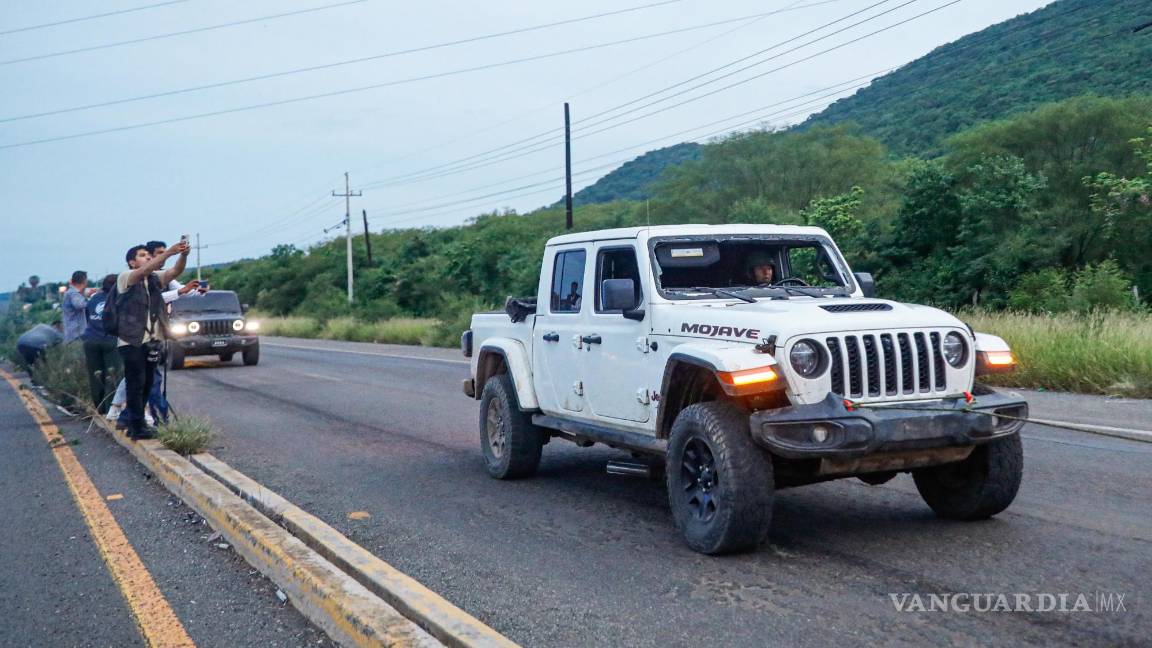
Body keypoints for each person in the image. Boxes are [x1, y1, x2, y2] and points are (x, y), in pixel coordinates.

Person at [115, 240, 189, 439]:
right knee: (135, 383)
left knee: (147, 383)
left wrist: (183, 255)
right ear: (131, 262)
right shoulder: (126, 277)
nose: (147, 257)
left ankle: (135, 424)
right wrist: (168, 253)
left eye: (148, 255)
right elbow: (142, 272)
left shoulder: (154, 278)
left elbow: (175, 272)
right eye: (142, 255)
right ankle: (137, 427)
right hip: (132, 341)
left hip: (151, 339)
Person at [82, 274, 122, 415]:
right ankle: (109, 408)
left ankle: (99, 408)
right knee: (112, 375)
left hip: (90, 340)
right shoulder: (118, 299)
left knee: (95, 375)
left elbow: (88, 318)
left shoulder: (93, 299)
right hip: (110, 340)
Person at [61, 270, 92, 342]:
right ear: (84, 281)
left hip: (74, 333)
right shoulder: (73, 293)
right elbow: (79, 305)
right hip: (75, 334)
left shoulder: (72, 293)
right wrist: (89, 297)